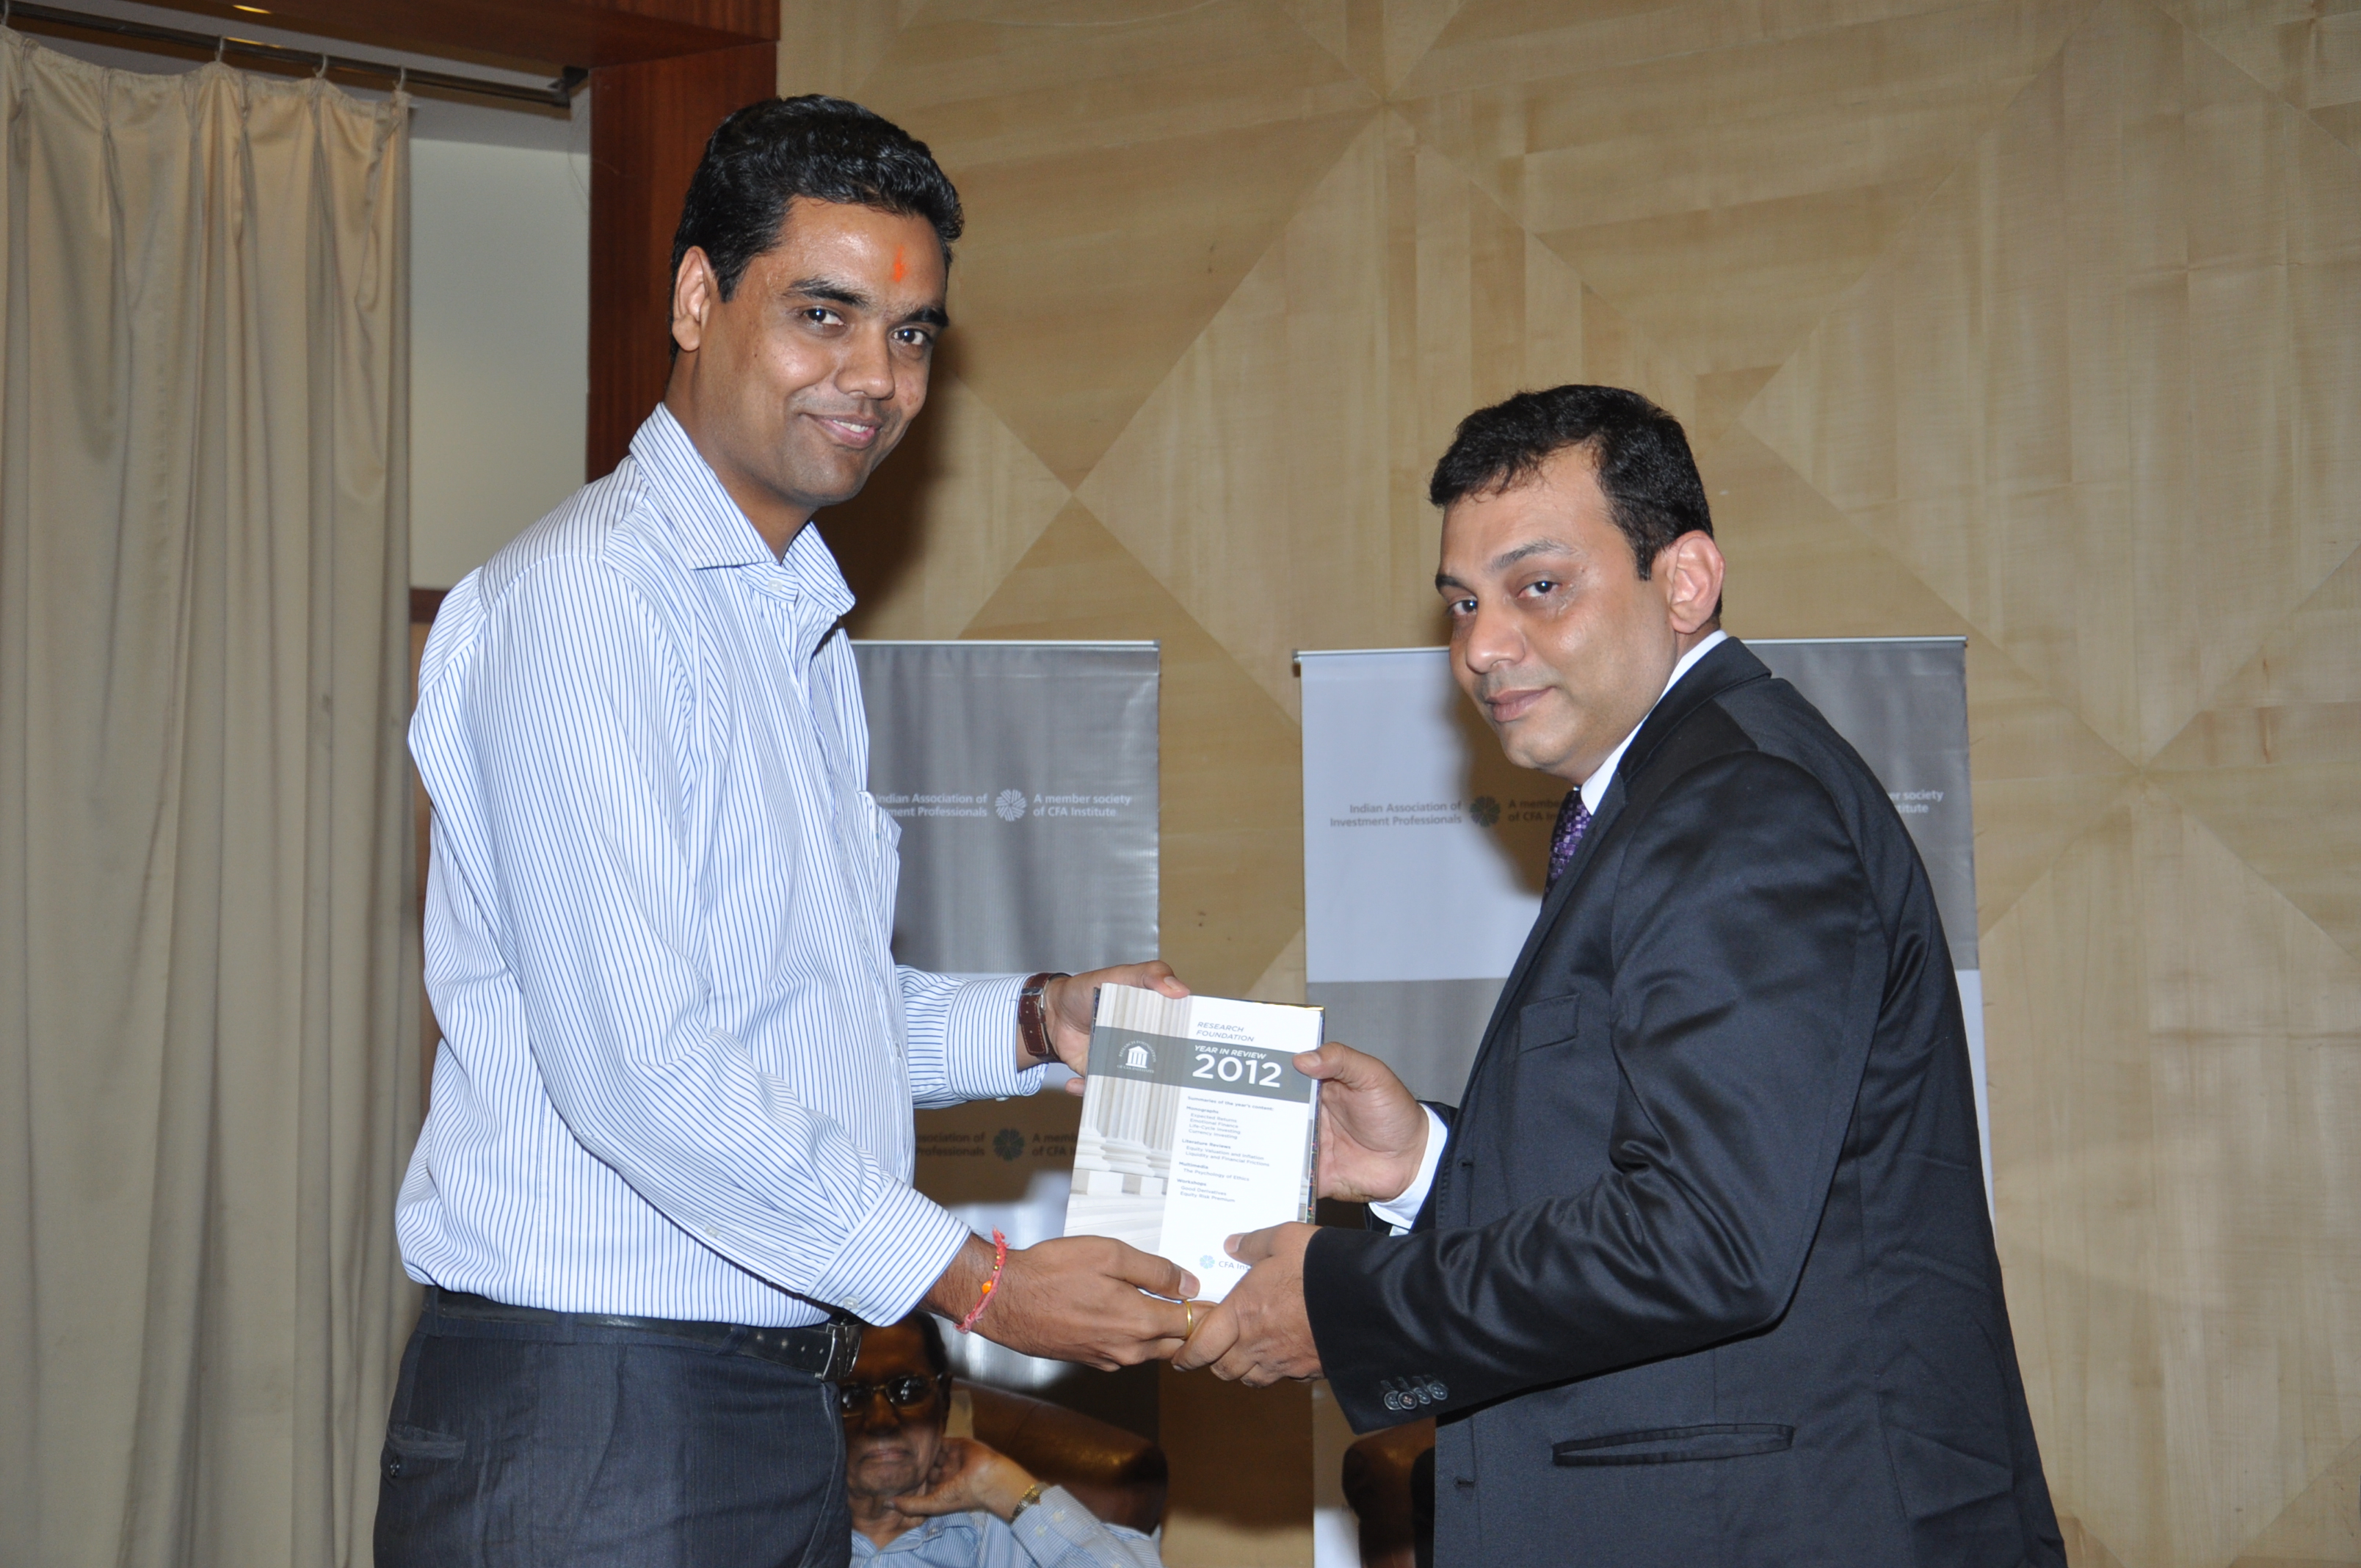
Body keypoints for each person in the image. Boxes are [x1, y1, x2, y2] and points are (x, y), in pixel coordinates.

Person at [375, 96, 1200, 1568]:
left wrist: (1035, 1018)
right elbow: (644, 1072)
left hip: (761, 1406)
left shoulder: (790, 627)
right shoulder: (590, 604)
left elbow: (804, 1017)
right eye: (825, 314)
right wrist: (980, 1284)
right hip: (596, 1416)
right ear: (698, 298)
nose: (876, 377)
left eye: (912, 333)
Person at [1177, 386, 2066, 1566]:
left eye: (1540, 586)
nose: (1482, 648)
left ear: (1684, 580)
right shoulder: (1671, 797)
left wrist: (1348, 1307)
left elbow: (1710, 1237)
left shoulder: (1741, 804)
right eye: (1463, 602)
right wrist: (1424, 1164)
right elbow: (1662, 1175)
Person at [843, 1315, 1162, 1567]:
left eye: (908, 1390)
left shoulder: (1013, 1544)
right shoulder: (809, 1537)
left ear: (944, 1401)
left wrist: (1000, 1484)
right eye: (850, 1396)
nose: (881, 1420)